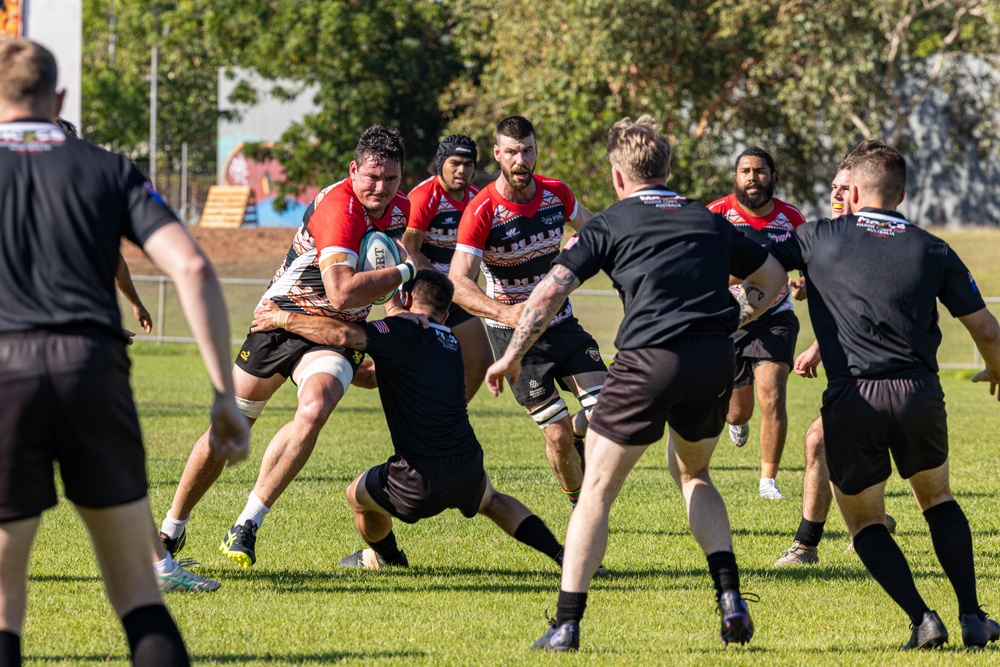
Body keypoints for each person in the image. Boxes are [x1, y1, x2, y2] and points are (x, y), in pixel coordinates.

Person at [485, 116, 789, 651]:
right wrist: (728, 319)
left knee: (596, 492)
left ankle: (566, 625)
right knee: (694, 474)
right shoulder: (707, 218)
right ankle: (730, 599)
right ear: (669, 169)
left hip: (649, 361)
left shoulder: (610, 222)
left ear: (618, 176)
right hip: (713, 361)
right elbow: (773, 281)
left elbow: (550, 291)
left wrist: (512, 354)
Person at [0, 39, 248, 666]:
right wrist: (223, 395)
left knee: (4, 603)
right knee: (139, 594)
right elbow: (191, 267)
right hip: (93, 370)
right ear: (58, 100)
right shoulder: (107, 167)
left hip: (5, 374)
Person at [768, 140, 1000, 649]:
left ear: (851, 189)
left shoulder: (816, 238)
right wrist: (996, 372)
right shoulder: (933, 246)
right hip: (920, 392)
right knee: (937, 500)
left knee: (865, 522)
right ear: (901, 193)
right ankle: (973, 616)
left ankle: (922, 619)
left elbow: (755, 263)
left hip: (854, 398)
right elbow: (988, 330)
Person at [157, 126, 416, 569]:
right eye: (372, 176)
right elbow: (341, 290)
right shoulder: (340, 208)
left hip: (336, 332)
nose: (380, 188)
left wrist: (392, 326)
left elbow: (381, 271)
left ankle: (247, 524)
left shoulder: (398, 210)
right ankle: (171, 532)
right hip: (280, 319)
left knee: (315, 408)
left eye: (391, 179)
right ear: (354, 170)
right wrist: (407, 273)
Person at [250, 270, 565, 569]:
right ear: (445, 314)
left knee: (356, 496)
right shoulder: (450, 341)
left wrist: (282, 318)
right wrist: (346, 369)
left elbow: (341, 333)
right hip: (465, 464)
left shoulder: (405, 330)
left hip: (417, 478)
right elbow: (373, 376)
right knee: (492, 500)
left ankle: (387, 558)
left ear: (408, 300)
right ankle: (564, 556)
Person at [449, 116, 606, 510]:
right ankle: (580, 507)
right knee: (556, 436)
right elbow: (458, 282)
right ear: (498, 154)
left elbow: (600, 232)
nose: (521, 160)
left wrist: (586, 251)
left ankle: (581, 435)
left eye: (528, 150)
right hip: (514, 336)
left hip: (561, 322)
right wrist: (505, 314)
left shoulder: (557, 194)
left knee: (607, 412)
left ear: (537, 151)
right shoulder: (481, 210)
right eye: (513, 152)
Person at [774, 151, 896, 566]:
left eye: (846, 187)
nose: (839, 194)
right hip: (851, 375)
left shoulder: (873, 240)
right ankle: (875, 521)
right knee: (848, 452)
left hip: (882, 374)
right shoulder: (826, 237)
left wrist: (815, 349)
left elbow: (862, 310)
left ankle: (805, 546)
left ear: (862, 189)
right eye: (834, 188)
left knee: (818, 442)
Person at [708, 147, 806, 500]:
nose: (753, 177)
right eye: (745, 171)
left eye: (760, 171)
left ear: (773, 177)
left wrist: (805, 283)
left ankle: (768, 481)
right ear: (735, 177)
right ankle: (738, 423)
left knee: (773, 393)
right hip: (730, 321)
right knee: (736, 411)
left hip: (776, 318)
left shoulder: (791, 218)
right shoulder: (716, 214)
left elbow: (812, 262)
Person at [403, 134, 492, 402]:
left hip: (458, 295)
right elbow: (409, 249)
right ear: (441, 162)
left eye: (468, 164)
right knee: (416, 366)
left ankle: (449, 416)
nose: (462, 170)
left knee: (480, 362)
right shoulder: (424, 196)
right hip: (423, 294)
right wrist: (441, 284)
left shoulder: (478, 198)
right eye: (455, 162)